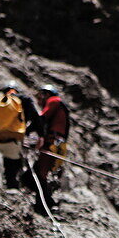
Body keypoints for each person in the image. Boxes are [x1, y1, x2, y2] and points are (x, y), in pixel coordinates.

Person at [29, 84, 71, 213]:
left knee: (40, 173)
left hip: (52, 141)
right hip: (57, 142)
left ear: (47, 94)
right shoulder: (61, 107)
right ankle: (45, 201)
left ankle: (45, 204)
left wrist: (26, 131)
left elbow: (42, 118)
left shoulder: (53, 101)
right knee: (36, 173)